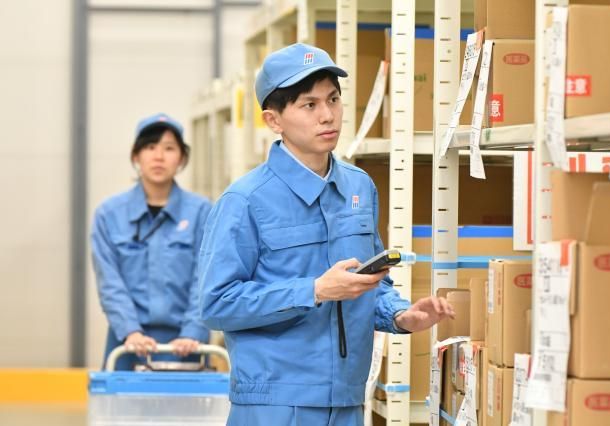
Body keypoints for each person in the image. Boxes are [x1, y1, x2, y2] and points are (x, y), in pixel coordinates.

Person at [198, 43, 455, 425]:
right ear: (273, 120)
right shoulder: (245, 201)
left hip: (348, 400)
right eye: (309, 105)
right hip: (275, 405)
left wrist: (401, 314)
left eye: (333, 99)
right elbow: (216, 304)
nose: (327, 115)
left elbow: (367, 283)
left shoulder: (359, 187)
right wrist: (314, 290)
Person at [91, 113, 212, 371]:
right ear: (136, 156)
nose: (159, 156)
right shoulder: (109, 215)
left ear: (182, 158)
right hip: (126, 344)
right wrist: (130, 332)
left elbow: (205, 278)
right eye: (150, 147)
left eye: (169, 148)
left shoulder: (202, 212)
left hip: (187, 345)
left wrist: (193, 331)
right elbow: (109, 282)